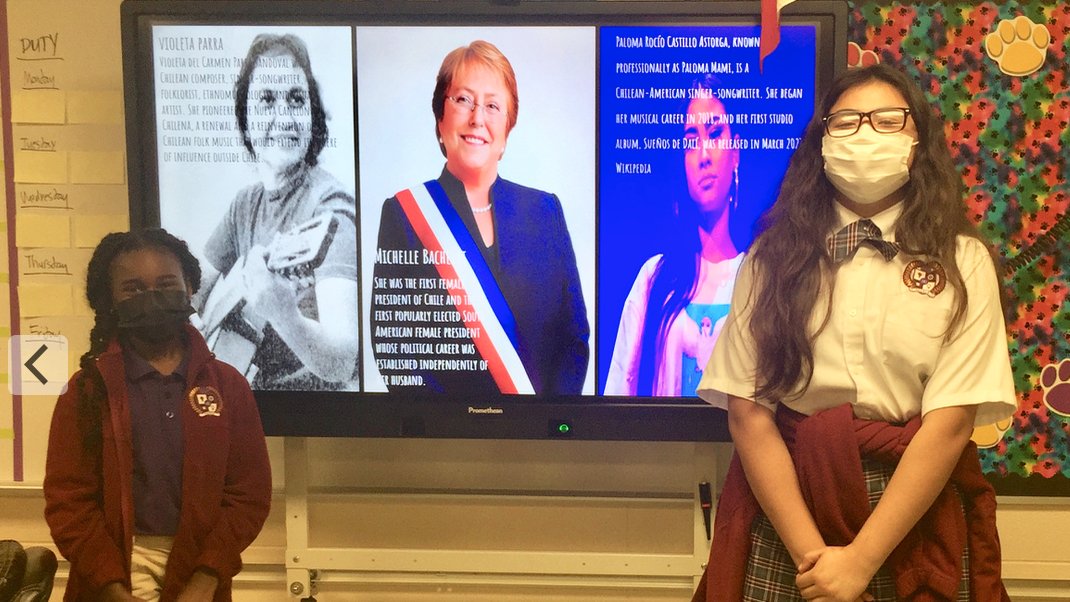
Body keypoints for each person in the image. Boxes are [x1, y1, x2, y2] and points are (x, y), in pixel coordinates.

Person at [693, 64, 1016, 601]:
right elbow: (748, 412)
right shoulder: (772, 257)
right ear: (821, 142)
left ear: (918, 140)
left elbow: (952, 421)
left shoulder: (965, 261)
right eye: (845, 122)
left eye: (888, 121)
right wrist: (816, 563)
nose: (865, 134)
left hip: (912, 512)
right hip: (791, 512)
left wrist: (860, 563)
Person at [44, 229, 272, 601]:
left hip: (200, 570)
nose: (151, 298)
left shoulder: (229, 387)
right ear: (110, 300)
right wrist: (110, 585)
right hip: (109, 575)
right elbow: (68, 502)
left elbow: (249, 496)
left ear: (191, 287)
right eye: (132, 289)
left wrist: (207, 576)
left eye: (166, 283)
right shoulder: (86, 391)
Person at [371, 40, 589, 395]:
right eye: (463, 100)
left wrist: (547, 421)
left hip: (538, 440)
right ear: (440, 119)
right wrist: (449, 425)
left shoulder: (545, 212)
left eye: (492, 105)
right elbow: (393, 346)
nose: (477, 118)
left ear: (507, 129)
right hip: (443, 440)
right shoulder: (405, 214)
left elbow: (574, 338)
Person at [198, 33, 358, 391]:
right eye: (267, 100)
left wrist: (285, 315)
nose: (283, 117)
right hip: (247, 404)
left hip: (317, 416)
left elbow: (344, 360)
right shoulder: (245, 203)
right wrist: (193, 327)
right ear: (246, 118)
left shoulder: (331, 209)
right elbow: (191, 287)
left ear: (312, 116)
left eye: (296, 100)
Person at [605, 74, 744, 397]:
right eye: (691, 139)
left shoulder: (761, 276)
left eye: (715, 133)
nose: (704, 155)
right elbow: (618, 391)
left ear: (736, 151)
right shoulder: (654, 278)